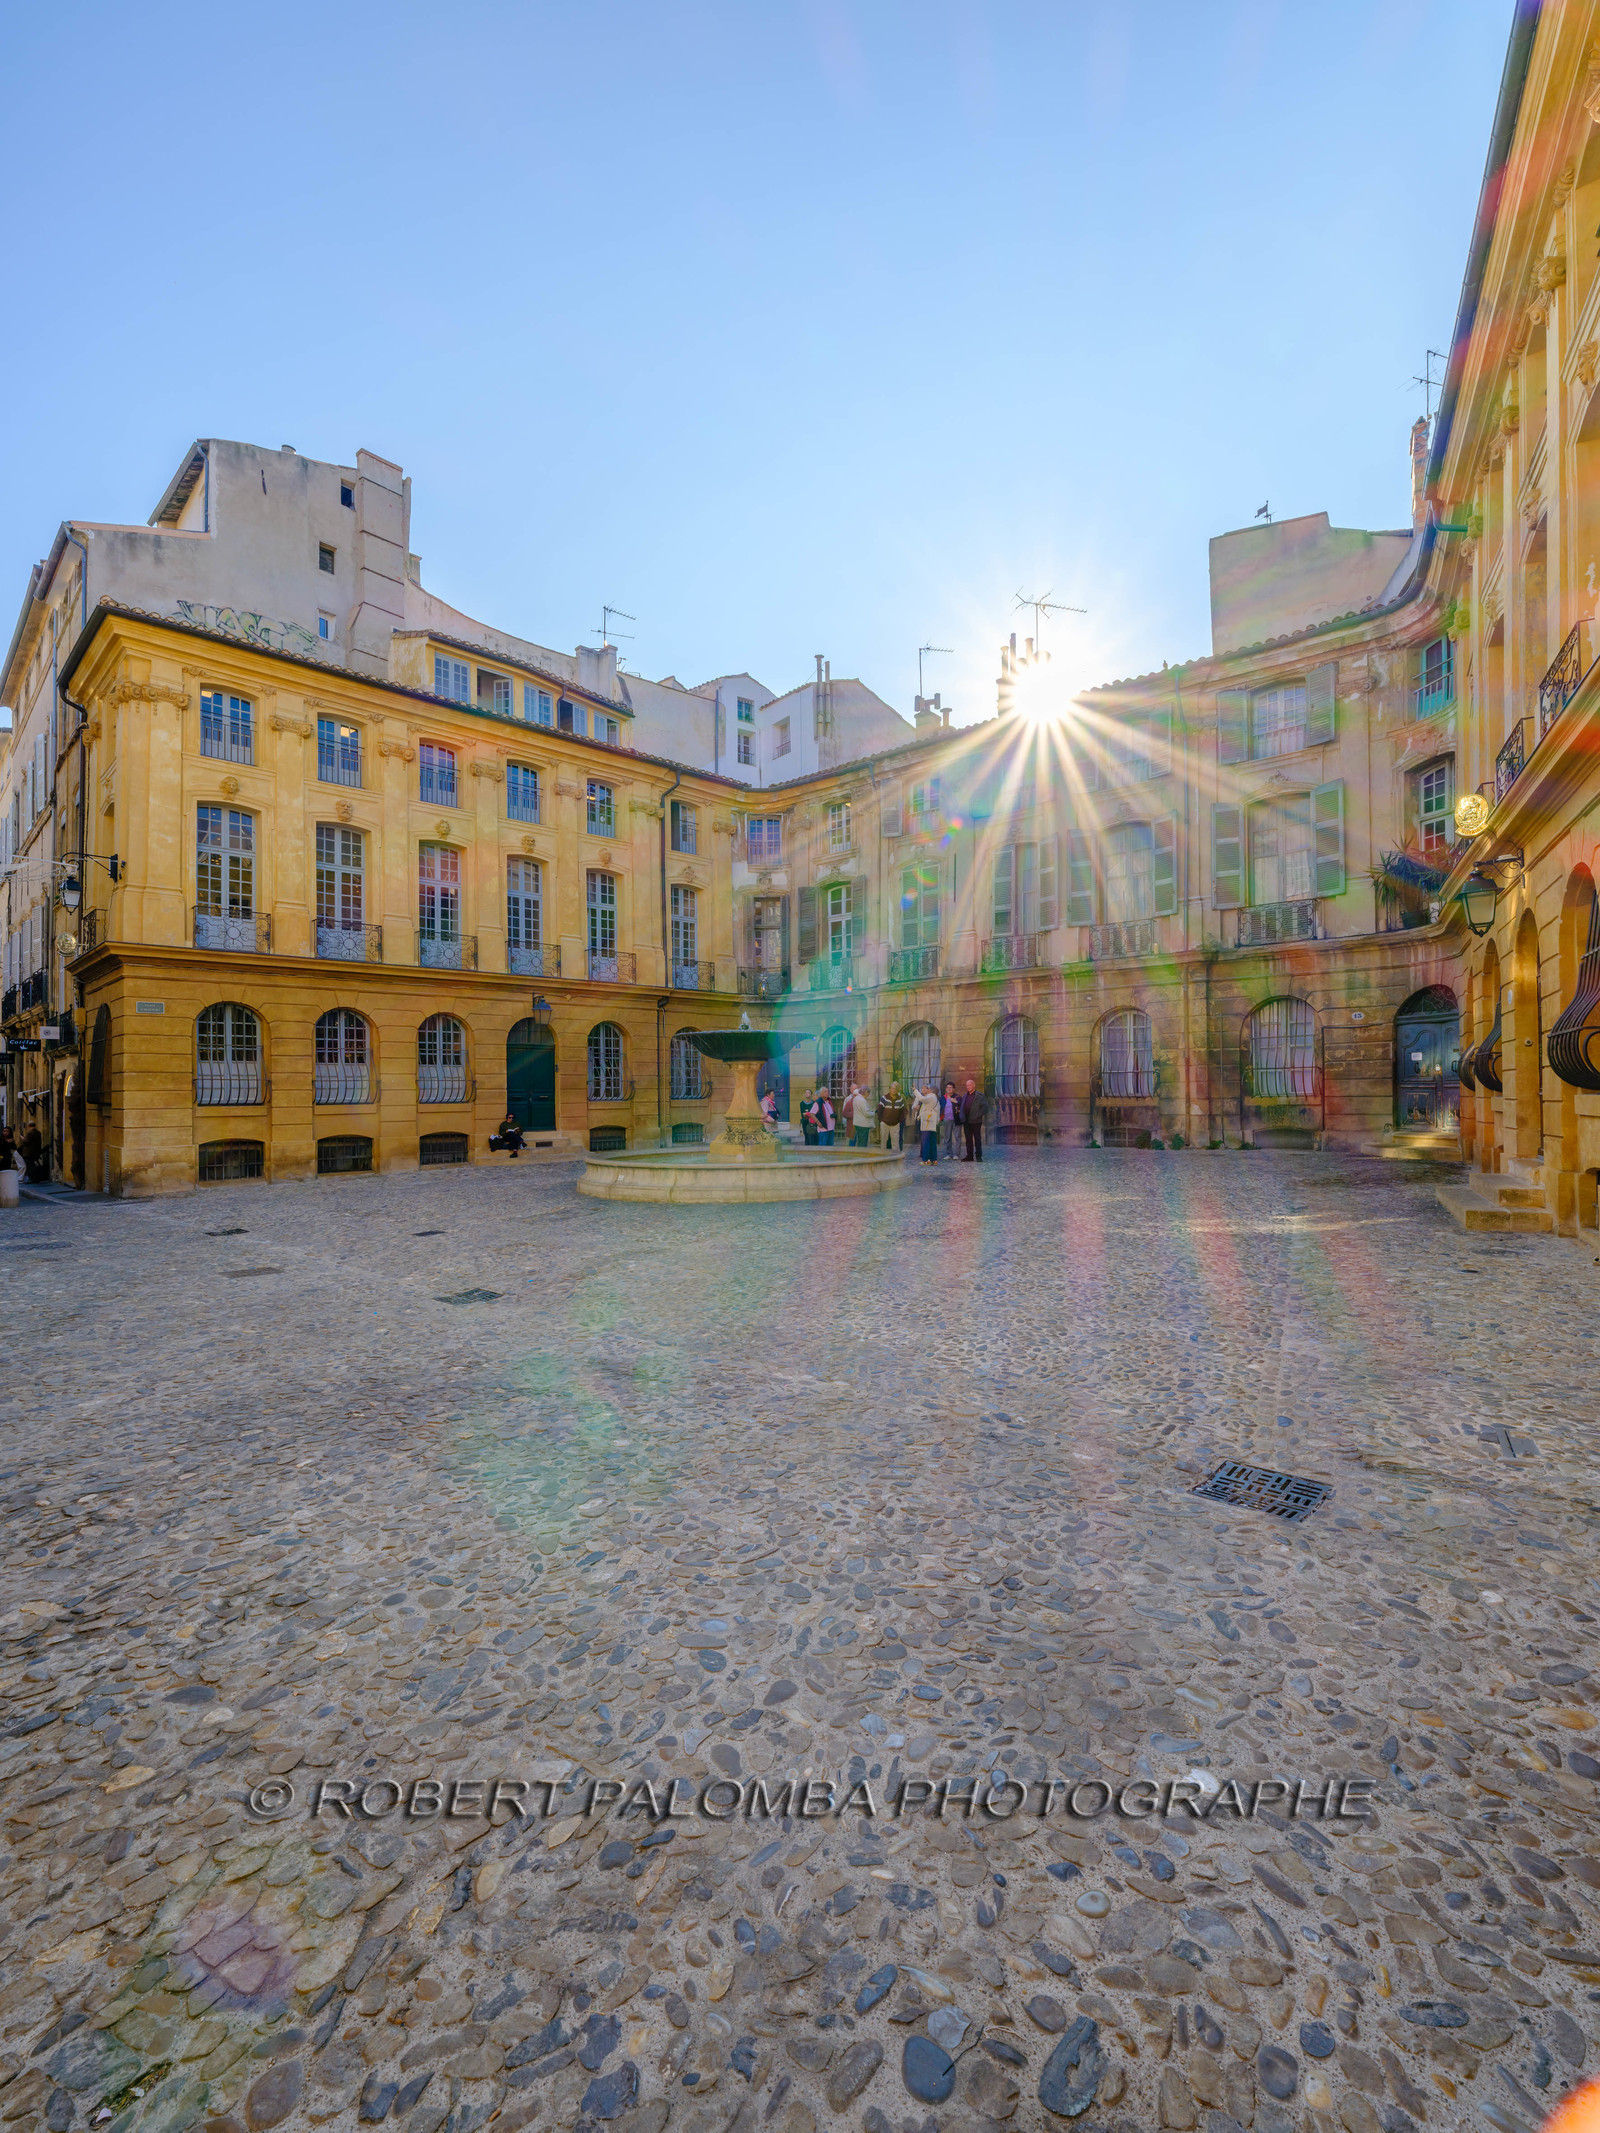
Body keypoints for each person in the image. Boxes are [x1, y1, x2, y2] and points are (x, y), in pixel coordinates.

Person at [960, 1078, 988, 1163]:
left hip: (976, 1121)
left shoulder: (980, 1096)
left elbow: (985, 1107)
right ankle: (969, 1156)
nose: (968, 1087)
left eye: (969, 1085)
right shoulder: (965, 1096)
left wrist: (978, 1115)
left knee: (977, 1139)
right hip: (966, 1120)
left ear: (974, 1085)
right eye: (967, 1085)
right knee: (968, 1139)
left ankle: (978, 1156)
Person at [914, 1082, 942, 1164]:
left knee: (925, 1141)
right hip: (932, 1123)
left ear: (931, 1090)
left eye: (928, 1089)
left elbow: (921, 1099)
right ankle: (934, 1159)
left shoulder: (931, 1097)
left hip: (927, 1122)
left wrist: (915, 1090)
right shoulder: (935, 1098)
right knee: (932, 1142)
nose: (927, 1090)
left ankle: (926, 1160)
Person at [877, 1081, 907, 1153]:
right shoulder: (884, 1098)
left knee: (895, 1142)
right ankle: (882, 1155)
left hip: (895, 1124)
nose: (894, 1090)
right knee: (884, 1141)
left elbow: (902, 1111)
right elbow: (879, 1110)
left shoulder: (900, 1099)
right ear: (889, 1089)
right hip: (885, 1123)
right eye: (892, 1088)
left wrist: (899, 1121)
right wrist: (881, 1120)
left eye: (895, 1089)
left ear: (897, 1090)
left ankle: (895, 1156)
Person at [846, 1082, 873, 1148]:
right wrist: (873, 1113)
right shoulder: (861, 1100)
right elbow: (866, 1113)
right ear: (865, 1092)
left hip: (857, 1124)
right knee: (862, 1143)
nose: (868, 1094)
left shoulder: (856, 1099)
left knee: (860, 1143)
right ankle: (862, 1157)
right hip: (862, 1124)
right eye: (868, 1092)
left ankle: (859, 1156)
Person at [940, 1082, 959, 1162]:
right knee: (947, 1138)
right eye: (947, 1087)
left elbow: (961, 1104)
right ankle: (949, 1154)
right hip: (946, 1119)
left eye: (951, 1087)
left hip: (956, 1119)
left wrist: (956, 1102)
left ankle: (956, 1154)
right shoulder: (942, 1098)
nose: (949, 1089)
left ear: (954, 1089)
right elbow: (939, 1107)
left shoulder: (957, 1097)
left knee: (957, 1137)